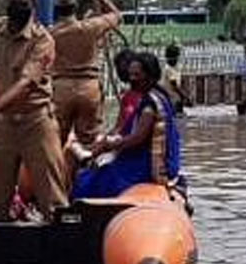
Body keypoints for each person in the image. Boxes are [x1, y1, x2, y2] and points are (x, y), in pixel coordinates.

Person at [0, 0, 68, 222]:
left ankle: (61, 245)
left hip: (36, 124)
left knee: (52, 198)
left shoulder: (42, 40)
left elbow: (25, 85)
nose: (17, 9)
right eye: (13, 3)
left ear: (33, 4)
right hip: (2, 126)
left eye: (23, 4)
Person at [73, 52, 182, 199]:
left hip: (146, 165)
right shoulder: (158, 95)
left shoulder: (150, 105)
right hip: (147, 158)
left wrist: (109, 146)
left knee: (89, 180)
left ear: (150, 75)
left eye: (137, 75)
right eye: (131, 75)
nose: (132, 79)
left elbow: (137, 138)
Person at [50, 0, 121, 147]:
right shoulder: (90, 28)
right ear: (75, 8)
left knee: (56, 141)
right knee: (89, 142)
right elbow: (117, 15)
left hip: (60, 88)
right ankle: (88, 172)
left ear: (56, 9)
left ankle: (59, 171)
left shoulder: (49, 34)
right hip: (89, 88)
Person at [161, 44, 189, 116]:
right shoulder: (168, 69)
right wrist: (184, 96)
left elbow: (179, 81)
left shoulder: (175, 68)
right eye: (175, 57)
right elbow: (174, 85)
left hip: (175, 98)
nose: (177, 59)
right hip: (171, 98)